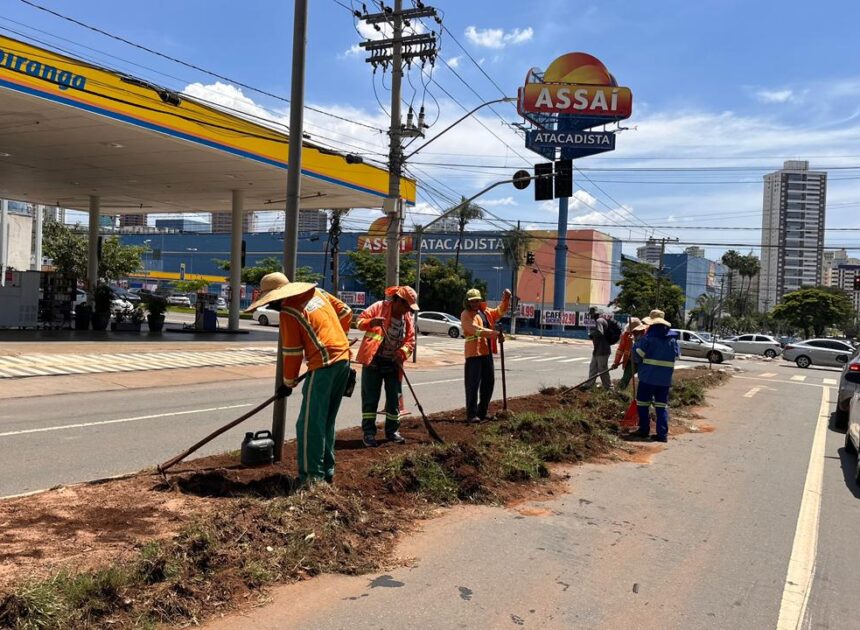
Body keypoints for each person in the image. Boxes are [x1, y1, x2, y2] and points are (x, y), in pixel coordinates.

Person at [244, 272, 352, 484]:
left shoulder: (289, 312)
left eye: (271, 302)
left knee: (308, 426)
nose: (271, 306)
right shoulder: (318, 293)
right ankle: (327, 472)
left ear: (277, 297)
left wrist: (288, 382)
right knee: (326, 422)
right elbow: (346, 312)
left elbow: (292, 352)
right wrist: (337, 339)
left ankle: (310, 479)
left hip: (323, 366)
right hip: (343, 360)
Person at [355, 286, 419, 447]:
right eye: (406, 306)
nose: (407, 310)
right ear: (397, 300)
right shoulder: (379, 307)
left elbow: (411, 341)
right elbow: (359, 322)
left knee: (394, 399)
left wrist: (402, 353)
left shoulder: (407, 318)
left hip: (393, 364)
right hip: (374, 361)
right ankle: (369, 433)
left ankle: (392, 432)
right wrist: (372, 322)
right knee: (370, 399)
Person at [461, 287, 511, 423]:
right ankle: (471, 415)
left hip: (486, 353)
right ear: (467, 302)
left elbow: (499, 312)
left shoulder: (485, 312)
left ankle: (482, 412)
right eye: (472, 301)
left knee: (489, 383)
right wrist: (495, 334)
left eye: (477, 301)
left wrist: (506, 299)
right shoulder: (466, 314)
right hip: (473, 354)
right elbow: (475, 330)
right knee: (473, 385)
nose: (475, 303)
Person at [632, 309, 680, 443]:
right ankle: (662, 434)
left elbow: (637, 356)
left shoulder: (648, 339)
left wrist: (635, 345)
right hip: (665, 380)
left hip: (647, 378)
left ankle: (644, 430)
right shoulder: (672, 340)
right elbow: (676, 355)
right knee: (661, 406)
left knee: (642, 404)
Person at [611, 317, 646, 391]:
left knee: (644, 380)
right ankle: (619, 392)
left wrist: (633, 342)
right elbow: (620, 349)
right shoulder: (626, 335)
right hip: (631, 361)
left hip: (643, 361)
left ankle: (643, 396)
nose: (634, 332)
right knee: (625, 378)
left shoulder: (646, 335)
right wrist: (616, 362)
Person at [584, 310, 615, 389]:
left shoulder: (599, 321)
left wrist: (591, 334)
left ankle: (608, 387)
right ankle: (589, 385)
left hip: (602, 350)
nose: (590, 316)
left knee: (602, 369)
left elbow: (600, 332)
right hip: (598, 349)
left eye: (591, 314)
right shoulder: (600, 320)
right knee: (593, 367)